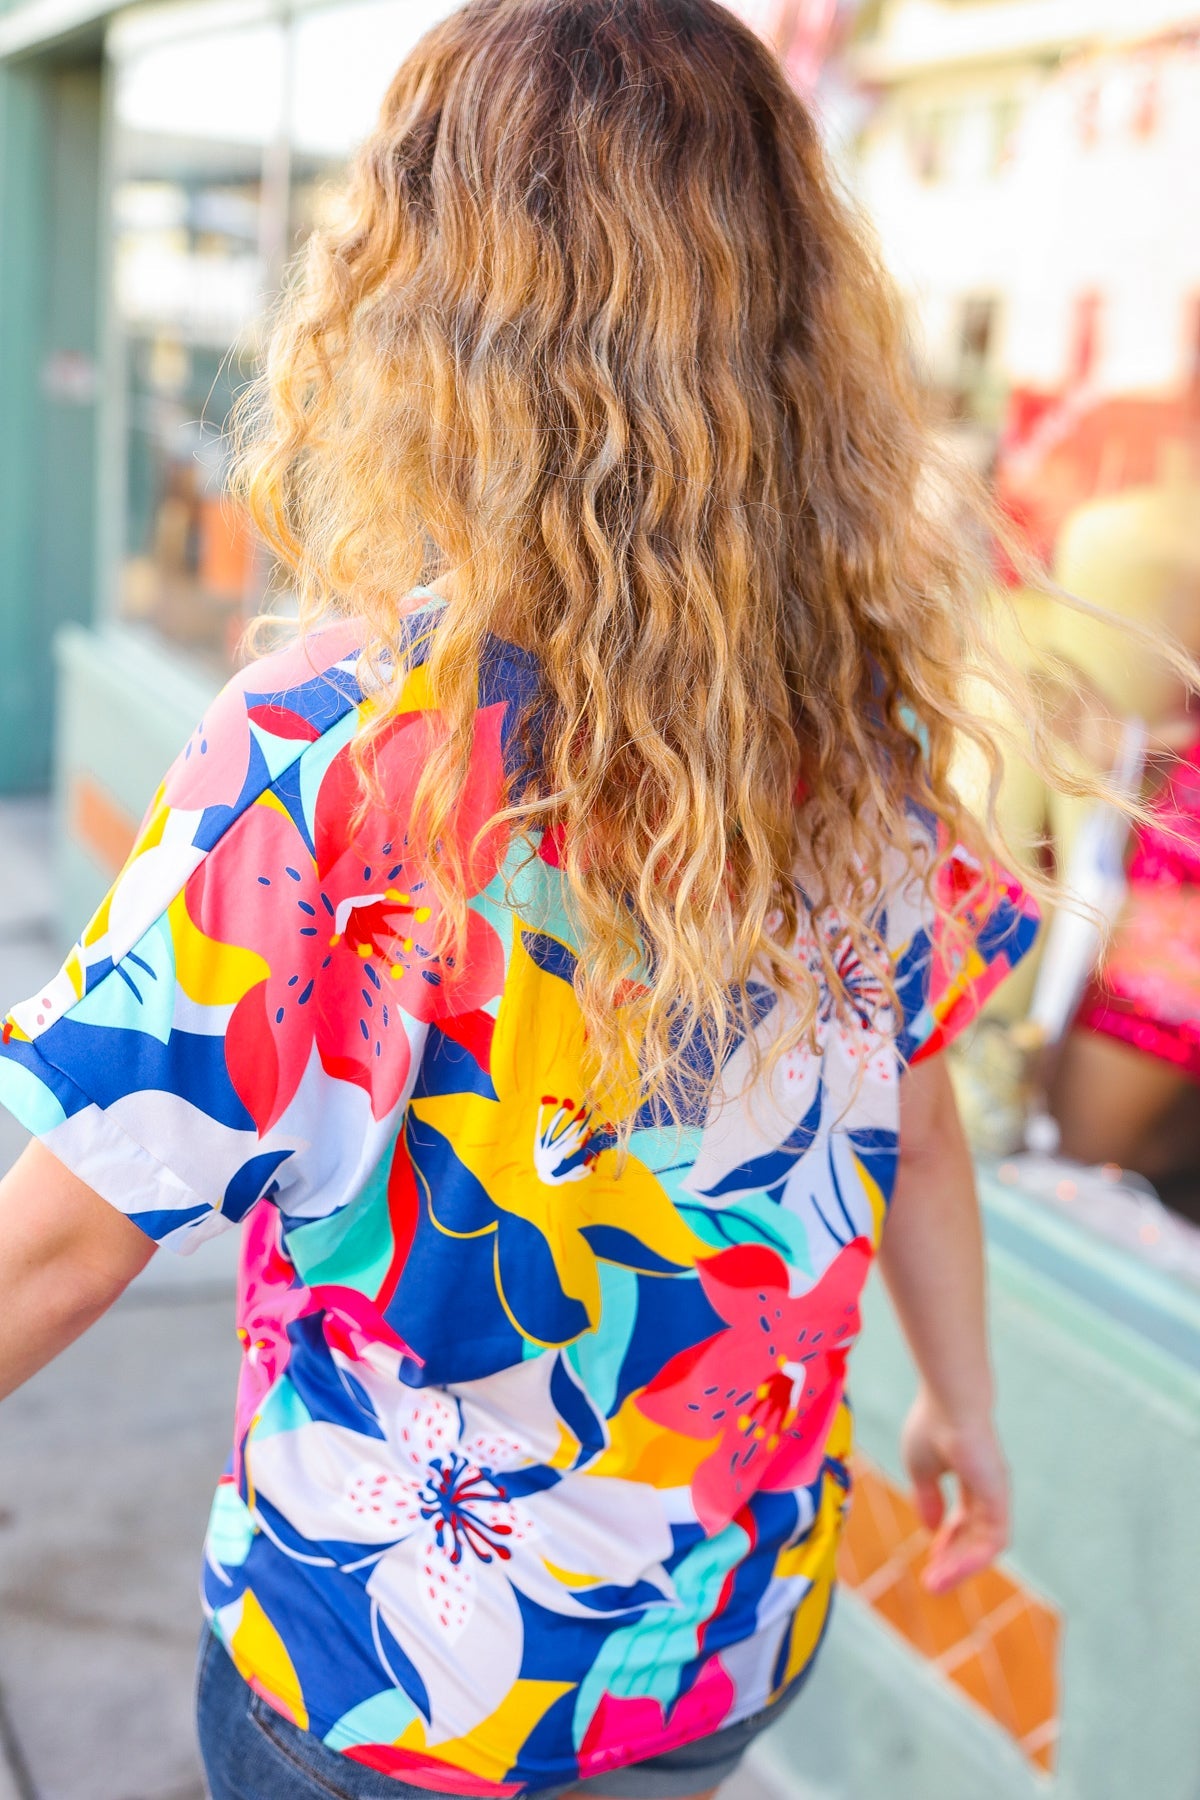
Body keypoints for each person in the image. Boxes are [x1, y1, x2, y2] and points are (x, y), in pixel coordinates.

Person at [0, 4, 1043, 1797]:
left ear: (421, 306)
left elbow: (65, 1244)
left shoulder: (331, 756)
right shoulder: (856, 731)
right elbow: (922, 1117)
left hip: (395, 1692)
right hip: (712, 1652)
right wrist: (966, 1406)